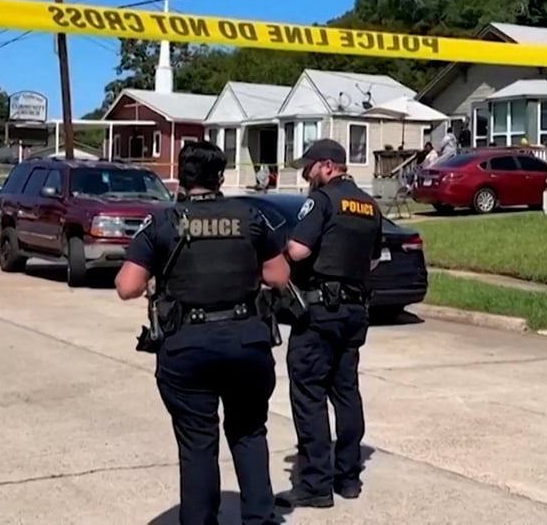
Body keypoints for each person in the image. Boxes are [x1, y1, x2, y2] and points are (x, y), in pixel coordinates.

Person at [115, 140, 291, 525]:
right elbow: (278, 276)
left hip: (186, 348)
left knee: (197, 442)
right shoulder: (250, 217)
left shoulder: (161, 222)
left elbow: (127, 286)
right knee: (249, 432)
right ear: (220, 177)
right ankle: (259, 518)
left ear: (181, 177)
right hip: (246, 340)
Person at [275, 139, 383, 510]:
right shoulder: (369, 205)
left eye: (308, 168)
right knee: (346, 393)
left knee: (309, 395)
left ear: (326, 166)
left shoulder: (321, 201)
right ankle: (348, 477)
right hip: (355, 313)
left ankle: (315, 484)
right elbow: (371, 261)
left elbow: (298, 251)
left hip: (320, 313)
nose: (305, 175)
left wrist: (286, 246)